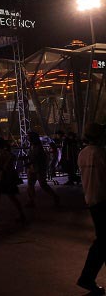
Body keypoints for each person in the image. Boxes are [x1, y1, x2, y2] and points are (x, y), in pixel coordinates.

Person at [77, 122, 106, 295]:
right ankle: (87, 278)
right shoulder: (100, 153)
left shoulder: (82, 154)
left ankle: (87, 279)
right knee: (102, 242)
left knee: (103, 241)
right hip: (103, 201)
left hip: (92, 200)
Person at [25, 132, 60, 208]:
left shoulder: (38, 146)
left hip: (39, 168)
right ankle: (31, 200)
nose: (28, 138)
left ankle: (55, 197)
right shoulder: (33, 145)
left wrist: (29, 162)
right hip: (34, 167)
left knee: (42, 184)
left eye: (29, 137)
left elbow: (37, 157)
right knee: (31, 184)